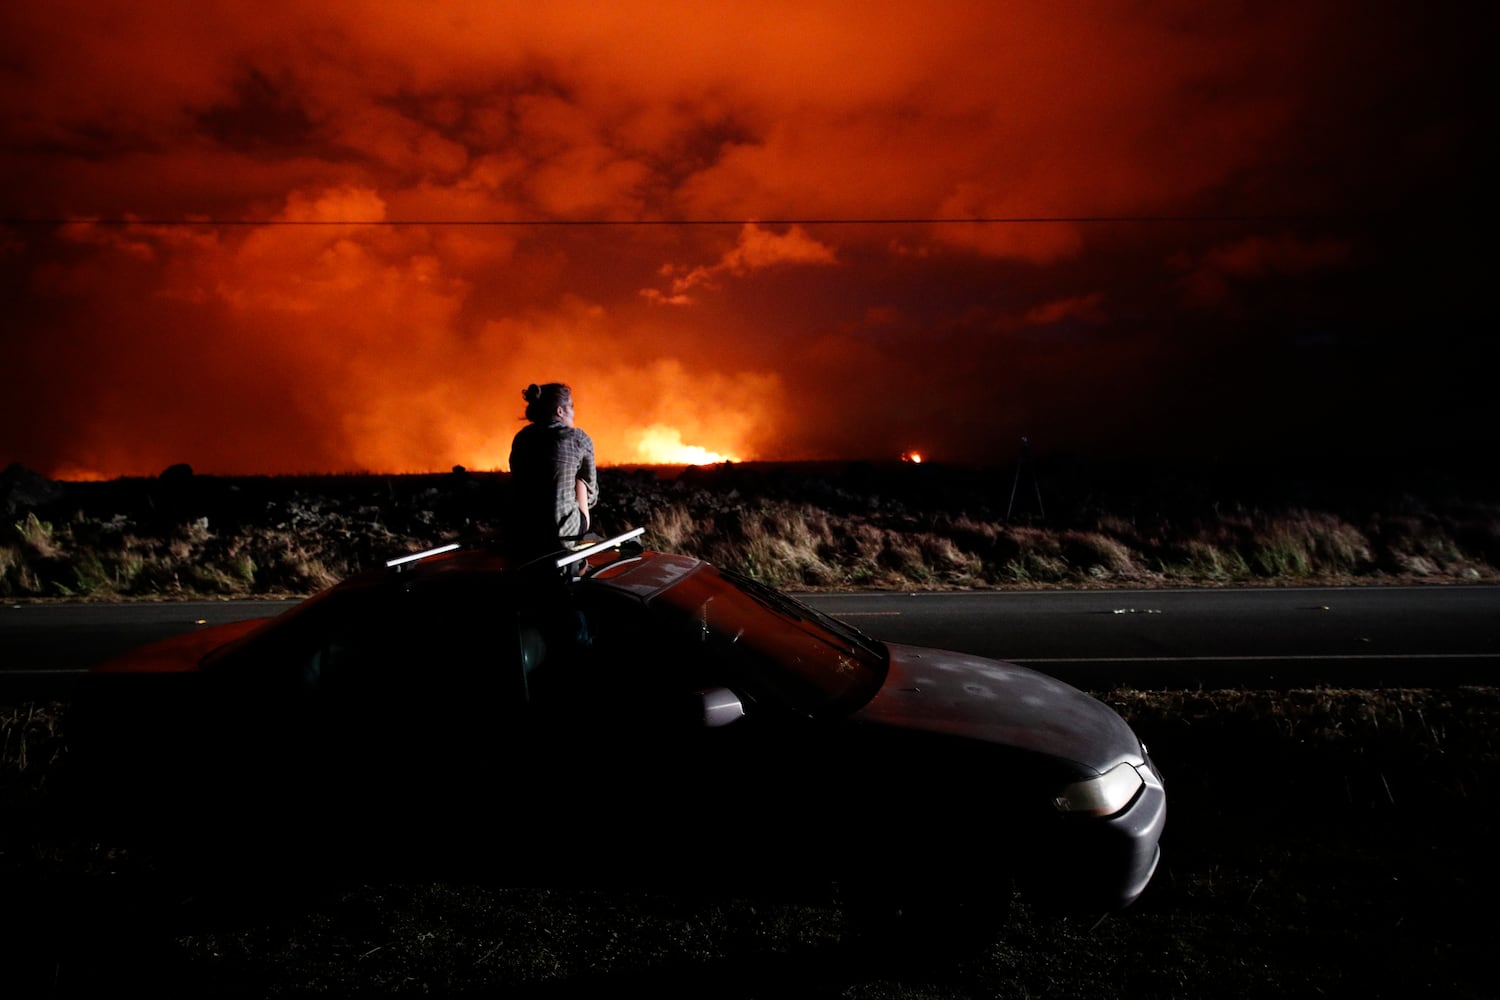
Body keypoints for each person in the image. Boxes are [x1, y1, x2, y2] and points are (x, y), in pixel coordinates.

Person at [507, 382, 598, 562]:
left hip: (526, 530)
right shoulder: (578, 438)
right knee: (581, 481)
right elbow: (591, 495)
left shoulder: (522, 438)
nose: (574, 412)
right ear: (560, 411)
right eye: (571, 406)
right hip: (563, 533)